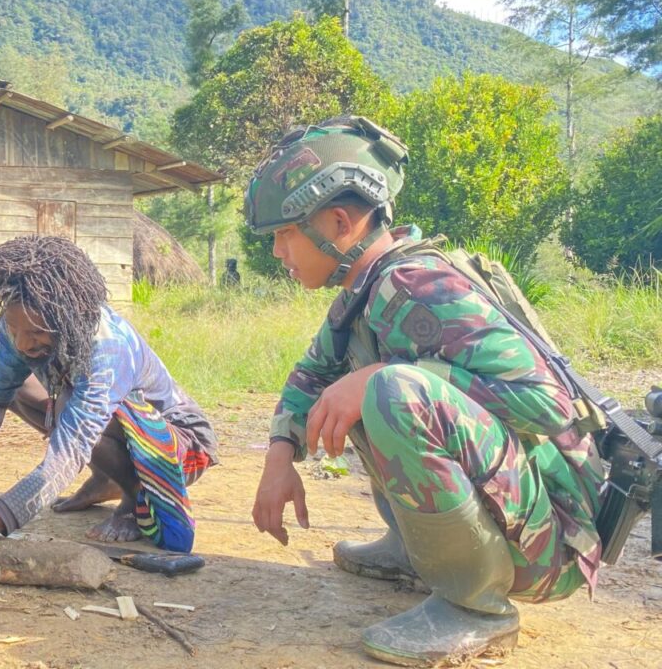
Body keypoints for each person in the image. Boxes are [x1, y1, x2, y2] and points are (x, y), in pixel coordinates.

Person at [245, 116, 603, 666]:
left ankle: (476, 606)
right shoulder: (365, 292)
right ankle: (421, 551)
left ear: (339, 222)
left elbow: (548, 402)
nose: (277, 252)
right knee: (368, 386)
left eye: (284, 234)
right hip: (517, 515)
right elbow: (310, 376)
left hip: (549, 545)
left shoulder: (416, 285)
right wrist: (279, 457)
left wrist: (381, 381)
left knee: (391, 389)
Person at [0, 235, 219, 584]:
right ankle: (107, 478)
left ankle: (133, 498)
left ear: (70, 318)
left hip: (180, 450)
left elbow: (64, 457)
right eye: (14, 329)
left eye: (36, 332)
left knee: (72, 406)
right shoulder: (19, 324)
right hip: (114, 432)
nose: (22, 343)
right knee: (17, 387)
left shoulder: (107, 350)